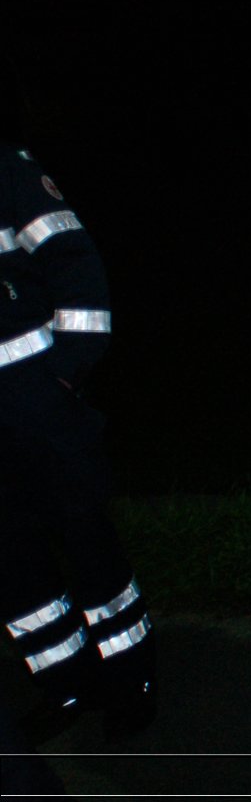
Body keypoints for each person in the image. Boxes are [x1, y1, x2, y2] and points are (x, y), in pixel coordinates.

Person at [1, 143, 156, 745]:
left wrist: (66, 370)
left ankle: (132, 678)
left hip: (37, 404)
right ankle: (66, 685)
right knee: (12, 565)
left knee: (87, 537)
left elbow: (72, 257)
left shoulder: (6, 169)